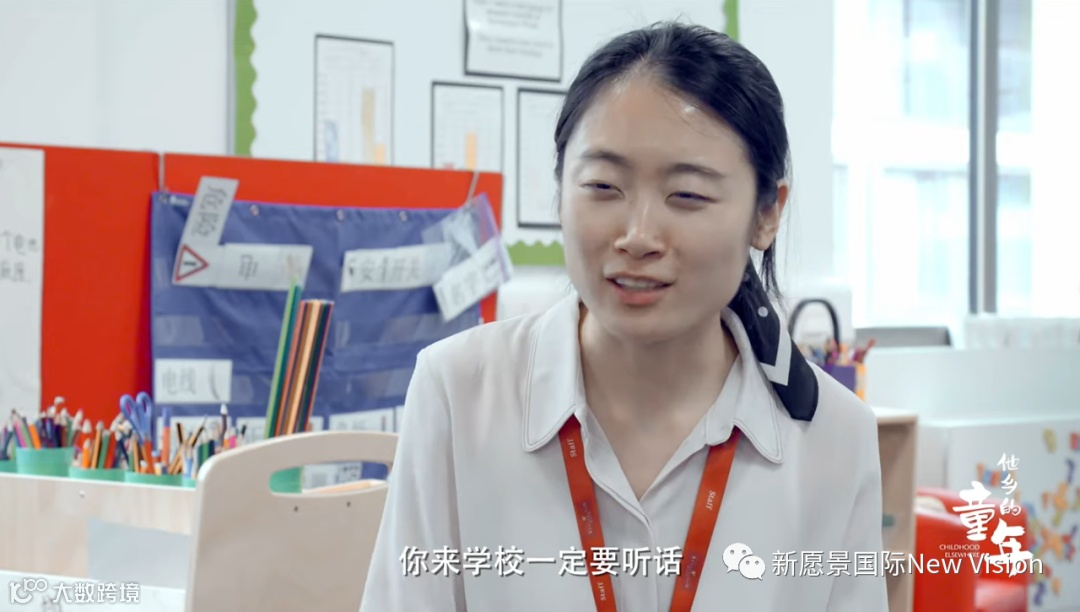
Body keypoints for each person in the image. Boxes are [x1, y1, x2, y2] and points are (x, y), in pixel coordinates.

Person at [361, 21, 888, 612]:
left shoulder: (834, 436)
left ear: (767, 214)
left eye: (687, 195)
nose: (638, 236)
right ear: (560, 188)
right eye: (603, 185)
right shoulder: (459, 392)